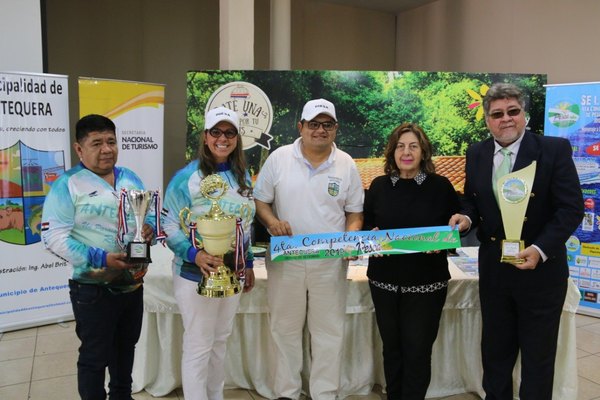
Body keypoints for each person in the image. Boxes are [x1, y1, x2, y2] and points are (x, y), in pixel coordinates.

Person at [449, 83, 583, 400]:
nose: (506, 119)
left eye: (513, 111)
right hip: (495, 271)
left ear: (524, 114)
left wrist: (539, 250)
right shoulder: (477, 152)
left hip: (541, 272)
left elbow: (571, 208)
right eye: (497, 114)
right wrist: (466, 218)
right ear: (486, 119)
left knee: (538, 359)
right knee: (495, 354)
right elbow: (471, 200)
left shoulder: (553, 149)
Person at [253, 98, 364, 400]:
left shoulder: (346, 164)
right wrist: (272, 222)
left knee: (329, 332)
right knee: (284, 330)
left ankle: (325, 393)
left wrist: (351, 237)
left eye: (327, 124)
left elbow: (354, 212)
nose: (320, 130)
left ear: (335, 129)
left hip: (329, 262)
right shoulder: (278, 158)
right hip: (286, 260)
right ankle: (287, 393)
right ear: (300, 126)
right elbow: (260, 200)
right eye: (314, 124)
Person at [41, 114, 156, 400]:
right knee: (94, 357)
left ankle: (122, 396)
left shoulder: (130, 177)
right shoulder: (67, 185)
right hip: (92, 289)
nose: (107, 149)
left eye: (111, 141)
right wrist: (101, 259)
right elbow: (53, 237)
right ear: (79, 149)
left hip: (132, 285)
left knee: (125, 350)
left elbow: (147, 213)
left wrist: (149, 225)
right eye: (97, 143)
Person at [161, 106, 255, 400]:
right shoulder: (185, 178)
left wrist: (247, 263)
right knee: (200, 344)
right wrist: (194, 254)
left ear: (237, 138)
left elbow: (246, 224)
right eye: (216, 132)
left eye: (229, 132)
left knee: (220, 341)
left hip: (232, 275)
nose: (222, 138)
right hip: (194, 274)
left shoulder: (243, 177)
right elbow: (167, 225)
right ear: (205, 136)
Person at [363, 123, 460, 400]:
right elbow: (368, 222)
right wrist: (370, 235)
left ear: (423, 152)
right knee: (391, 348)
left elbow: (455, 227)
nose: (406, 152)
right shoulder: (379, 186)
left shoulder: (440, 186)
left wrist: (443, 240)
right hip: (384, 282)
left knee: (418, 349)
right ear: (392, 151)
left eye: (413, 146)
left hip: (426, 283)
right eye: (401, 146)